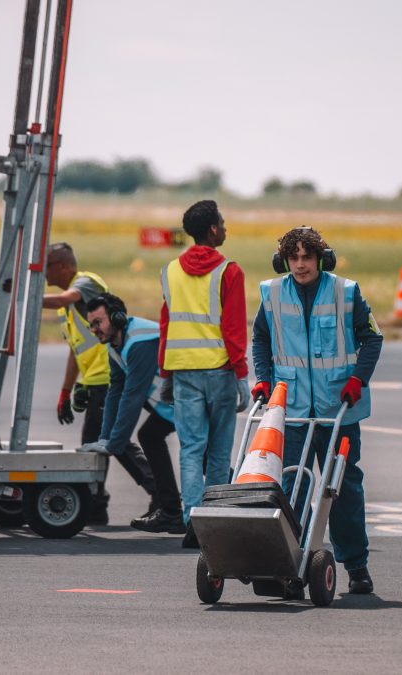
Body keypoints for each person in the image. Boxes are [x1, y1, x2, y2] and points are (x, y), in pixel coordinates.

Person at [251, 225, 383, 595]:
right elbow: (260, 338)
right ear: (283, 260)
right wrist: (263, 377)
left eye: (307, 257)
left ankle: (356, 566)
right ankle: (290, 564)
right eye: (292, 257)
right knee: (290, 486)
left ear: (321, 258)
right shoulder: (272, 293)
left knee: (342, 489)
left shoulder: (346, 291)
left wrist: (358, 380)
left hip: (337, 410)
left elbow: (372, 338)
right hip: (291, 411)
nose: (299, 264)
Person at [158, 200, 250, 548]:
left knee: (191, 448)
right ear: (213, 229)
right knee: (218, 452)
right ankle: (212, 520)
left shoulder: (170, 271)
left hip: (183, 372)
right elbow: (233, 327)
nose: (225, 228)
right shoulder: (229, 271)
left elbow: (167, 324)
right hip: (220, 371)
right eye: (222, 223)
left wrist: (165, 372)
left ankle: (192, 519)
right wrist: (241, 373)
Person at [43, 242, 156, 524]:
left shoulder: (86, 282)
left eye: (46, 267)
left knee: (107, 443)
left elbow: (63, 298)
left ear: (63, 266)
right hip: (95, 381)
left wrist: (24, 294)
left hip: (110, 376)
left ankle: (155, 494)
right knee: (101, 443)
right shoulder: (66, 312)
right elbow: (76, 350)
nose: (43, 274)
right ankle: (100, 504)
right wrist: (67, 390)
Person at [82, 293, 184, 534]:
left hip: (189, 402)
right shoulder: (115, 346)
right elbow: (114, 393)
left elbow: (133, 396)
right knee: (150, 436)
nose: (94, 329)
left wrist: (114, 444)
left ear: (117, 318)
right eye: (91, 325)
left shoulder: (140, 341)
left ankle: (237, 500)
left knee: (203, 456)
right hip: (172, 404)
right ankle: (170, 511)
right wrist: (105, 439)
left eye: (98, 322)